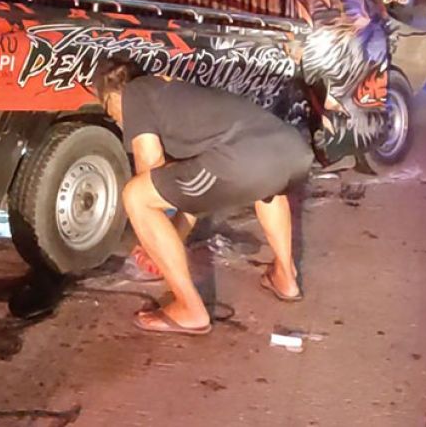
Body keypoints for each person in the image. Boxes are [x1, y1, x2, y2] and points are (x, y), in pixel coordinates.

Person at [93, 58, 313, 336]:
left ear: (114, 92)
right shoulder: (179, 98)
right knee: (267, 187)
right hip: (293, 152)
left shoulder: (136, 92)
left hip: (242, 158)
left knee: (136, 195)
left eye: (110, 110)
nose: (116, 119)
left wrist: (151, 243)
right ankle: (285, 278)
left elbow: (150, 167)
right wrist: (173, 237)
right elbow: (196, 193)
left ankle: (189, 309)